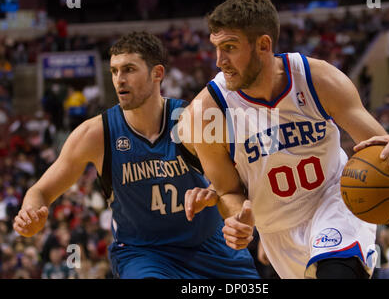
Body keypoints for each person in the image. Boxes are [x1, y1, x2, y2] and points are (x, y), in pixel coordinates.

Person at [181, 0, 389, 279]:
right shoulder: (206, 112)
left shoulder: (317, 79)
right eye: (216, 48)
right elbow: (228, 190)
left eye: (230, 47)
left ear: (263, 45)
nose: (219, 60)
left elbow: (379, 145)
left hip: (334, 200)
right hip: (277, 230)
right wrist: (237, 221)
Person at [13, 31, 259, 279]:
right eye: (114, 71)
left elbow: (232, 188)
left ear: (157, 73)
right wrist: (29, 214)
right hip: (144, 254)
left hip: (211, 247)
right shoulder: (94, 134)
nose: (119, 79)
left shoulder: (191, 121)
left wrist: (225, 207)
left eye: (129, 69)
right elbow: (40, 191)